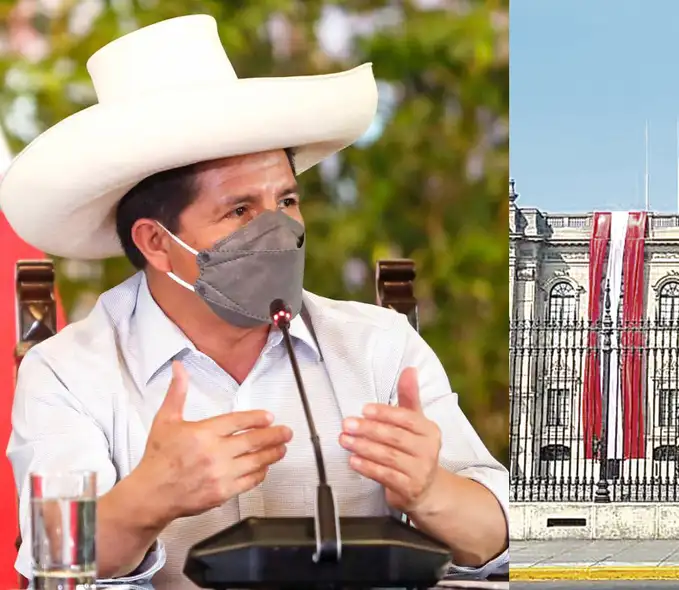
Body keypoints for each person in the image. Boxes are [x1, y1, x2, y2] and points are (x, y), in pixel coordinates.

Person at [1, 14, 509, 588]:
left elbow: (499, 537)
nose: (278, 230)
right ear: (156, 243)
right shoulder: (68, 372)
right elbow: (53, 558)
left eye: (287, 200)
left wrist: (431, 491)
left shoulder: (379, 347)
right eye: (239, 210)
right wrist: (148, 499)